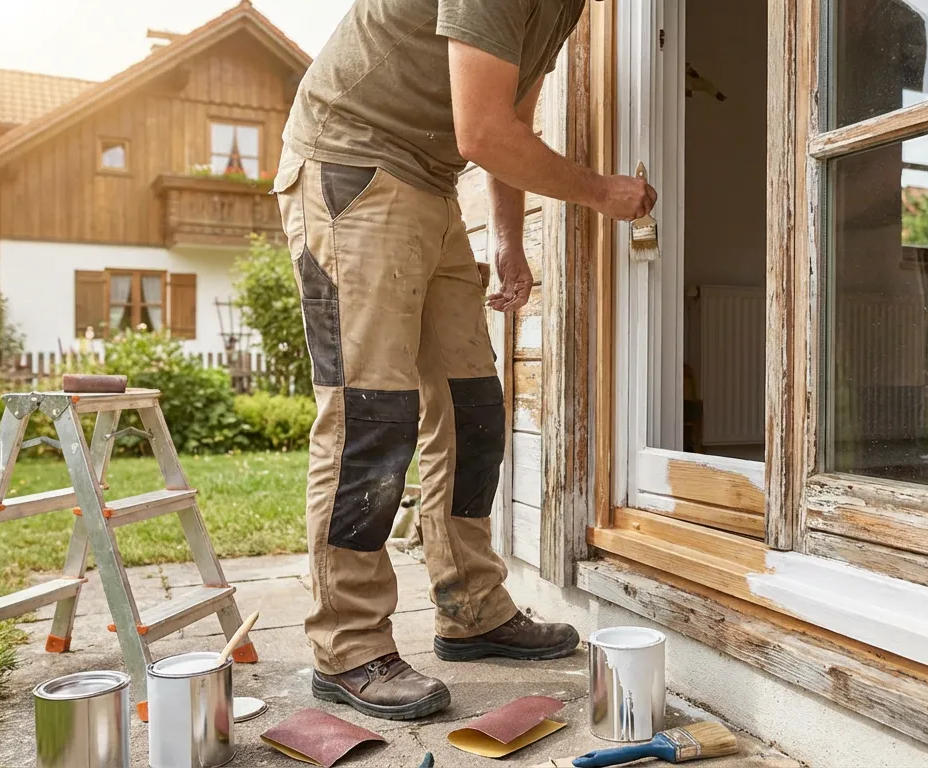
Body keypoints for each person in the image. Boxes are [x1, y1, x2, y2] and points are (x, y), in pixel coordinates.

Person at [272, 0, 657, 721]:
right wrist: (602, 192)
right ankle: (347, 643)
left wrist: (508, 240)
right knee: (370, 414)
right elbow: (480, 130)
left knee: (471, 407)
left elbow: (506, 121)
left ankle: (471, 607)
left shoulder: (563, 8)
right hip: (350, 164)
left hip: (429, 185)